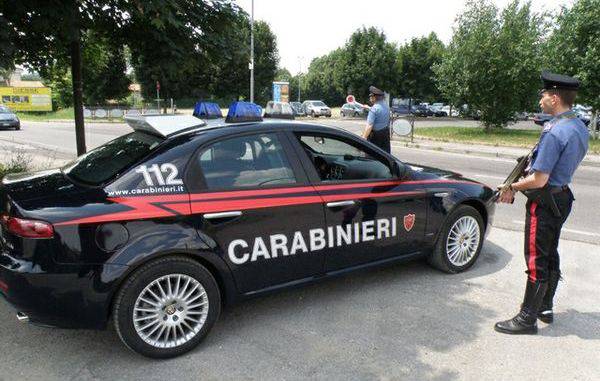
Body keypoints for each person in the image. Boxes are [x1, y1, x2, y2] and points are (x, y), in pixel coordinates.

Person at [494, 71, 589, 335]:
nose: (540, 99)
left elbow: (538, 179)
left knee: (537, 258)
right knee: (550, 252)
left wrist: (510, 187)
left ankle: (527, 318)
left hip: (545, 203)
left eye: (544, 95)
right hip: (562, 197)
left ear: (555, 98)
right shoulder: (579, 126)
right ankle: (545, 306)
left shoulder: (554, 131)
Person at [361, 86, 391, 153]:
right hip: (385, 134)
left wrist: (363, 138)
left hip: (375, 137)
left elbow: (369, 126)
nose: (370, 98)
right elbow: (379, 111)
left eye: (371, 96)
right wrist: (369, 108)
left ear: (374, 97)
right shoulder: (386, 106)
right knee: (385, 154)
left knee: (373, 156)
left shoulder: (373, 109)